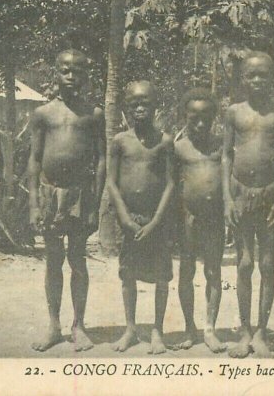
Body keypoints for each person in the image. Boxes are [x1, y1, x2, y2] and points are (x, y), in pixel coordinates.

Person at [28, 49, 105, 353]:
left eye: (78, 71)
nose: (72, 76)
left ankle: (79, 325)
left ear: (87, 75)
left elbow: (101, 160)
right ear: (56, 73)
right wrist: (34, 203)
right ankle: (53, 325)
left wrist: (96, 203)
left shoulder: (93, 114)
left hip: (80, 195)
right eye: (65, 70)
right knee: (53, 259)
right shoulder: (43, 114)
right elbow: (34, 160)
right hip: (49, 193)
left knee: (78, 259)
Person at [222, 52, 274, 358]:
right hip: (241, 194)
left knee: (266, 263)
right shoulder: (234, 112)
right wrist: (226, 198)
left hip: (270, 194)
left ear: (272, 78)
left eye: (264, 74)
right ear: (242, 79)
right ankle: (245, 331)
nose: (258, 80)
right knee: (245, 263)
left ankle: (262, 332)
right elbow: (226, 154)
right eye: (251, 75)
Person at [107, 81, 175, 355]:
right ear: (127, 106)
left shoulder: (165, 141)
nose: (139, 107)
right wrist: (124, 217)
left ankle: (157, 330)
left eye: (145, 102)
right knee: (129, 274)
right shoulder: (120, 141)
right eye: (134, 102)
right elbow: (111, 182)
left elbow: (171, 183)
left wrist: (157, 219)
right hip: (130, 219)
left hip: (156, 220)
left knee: (161, 276)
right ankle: (131, 329)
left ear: (155, 105)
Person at [174, 88, 227, 353]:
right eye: (194, 117)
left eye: (207, 117)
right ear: (185, 117)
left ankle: (209, 329)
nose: (201, 123)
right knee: (186, 271)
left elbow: (228, 180)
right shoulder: (178, 147)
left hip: (214, 218)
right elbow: (171, 185)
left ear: (214, 117)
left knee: (213, 272)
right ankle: (189, 327)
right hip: (187, 219)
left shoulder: (221, 146)